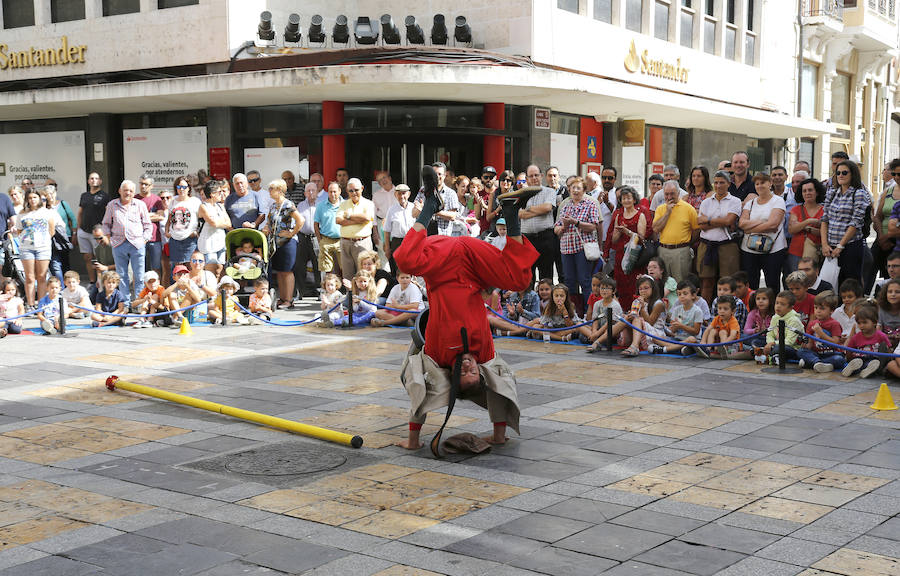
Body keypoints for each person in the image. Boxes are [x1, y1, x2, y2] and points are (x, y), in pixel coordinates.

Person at [394, 168, 539, 450]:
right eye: (474, 373)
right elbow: (499, 388)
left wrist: (413, 440)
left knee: (406, 260)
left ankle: (430, 208)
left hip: (443, 264)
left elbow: (419, 390)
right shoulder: (484, 353)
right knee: (520, 279)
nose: (470, 366)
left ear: (454, 373)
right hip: (474, 264)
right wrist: (498, 436)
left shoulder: (437, 354)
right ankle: (510, 213)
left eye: (464, 373)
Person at [554, 176, 599, 314]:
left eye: (578, 188)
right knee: (569, 281)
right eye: (572, 188)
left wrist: (576, 222)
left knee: (585, 280)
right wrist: (561, 228)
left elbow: (593, 226)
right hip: (566, 248)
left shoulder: (590, 204)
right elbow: (556, 227)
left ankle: (588, 313)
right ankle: (573, 312)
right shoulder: (565, 205)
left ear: (584, 190)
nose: (575, 190)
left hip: (582, 248)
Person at [822, 159, 870, 286]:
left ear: (852, 174)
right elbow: (824, 220)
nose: (841, 175)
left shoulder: (859, 194)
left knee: (850, 285)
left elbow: (855, 222)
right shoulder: (832, 193)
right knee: (831, 285)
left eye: (844, 172)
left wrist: (840, 246)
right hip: (830, 247)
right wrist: (824, 244)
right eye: (838, 173)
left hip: (850, 246)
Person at [696, 170, 742, 302]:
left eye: (722, 182)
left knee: (727, 283)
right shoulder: (706, 202)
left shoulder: (735, 201)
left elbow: (729, 221)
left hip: (726, 245)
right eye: (716, 182)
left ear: (728, 184)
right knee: (706, 282)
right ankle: (705, 314)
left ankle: (728, 311)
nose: (718, 185)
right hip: (707, 244)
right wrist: (719, 221)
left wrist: (709, 220)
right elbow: (701, 224)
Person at [102, 180, 152, 301]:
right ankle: (125, 303)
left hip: (137, 244)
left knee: (139, 276)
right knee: (122, 275)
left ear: (134, 192)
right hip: (119, 244)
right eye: (125, 190)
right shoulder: (112, 205)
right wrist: (109, 238)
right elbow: (106, 223)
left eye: (130, 191)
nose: (128, 193)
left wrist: (144, 240)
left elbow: (147, 225)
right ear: (120, 191)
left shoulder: (140, 204)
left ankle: (139, 302)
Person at [739, 172, 787, 290]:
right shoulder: (750, 203)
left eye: (763, 183)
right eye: (757, 183)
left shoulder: (778, 201)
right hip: (749, 249)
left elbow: (773, 224)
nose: (760, 186)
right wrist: (763, 223)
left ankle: (772, 308)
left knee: (772, 282)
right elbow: (741, 224)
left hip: (773, 249)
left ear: (770, 184)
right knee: (751, 283)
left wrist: (749, 228)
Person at [11, 188, 57, 308]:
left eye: (35, 197)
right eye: (30, 198)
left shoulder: (46, 212)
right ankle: (31, 304)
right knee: (30, 277)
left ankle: (41, 304)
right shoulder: (22, 213)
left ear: (39, 198)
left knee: (42, 276)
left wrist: (42, 239)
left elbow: (51, 231)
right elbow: (20, 230)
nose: (32, 200)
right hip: (26, 248)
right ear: (27, 199)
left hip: (43, 248)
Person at [262, 179, 304, 309]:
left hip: (287, 242)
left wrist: (291, 233)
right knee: (280, 271)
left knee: (287, 271)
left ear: (280, 191)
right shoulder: (274, 205)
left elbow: (300, 220)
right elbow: (269, 221)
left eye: (271, 189)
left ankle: (289, 300)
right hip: (276, 242)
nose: (269, 191)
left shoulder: (288, 204)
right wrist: (267, 228)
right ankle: (283, 298)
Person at [607, 185, 648, 306]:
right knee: (620, 285)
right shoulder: (618, 216)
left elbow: (641, 238)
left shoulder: (640, 215)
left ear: (634, 199)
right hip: (620, 255)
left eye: (628, 198)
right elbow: (614, 240)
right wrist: (618, 232)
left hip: (633, 256)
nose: (626, 201)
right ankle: (623, 313)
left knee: (633, 285)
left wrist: (628, 232)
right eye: (623, 198)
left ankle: (635, 312)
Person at [653, 181, 698, 284]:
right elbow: (655, 229)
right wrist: (667, 212)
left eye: (672, 193)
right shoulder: (660, 209)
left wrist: (688, 243)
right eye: (666, 194)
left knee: (681, 283)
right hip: (663, 250)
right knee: (663, 284)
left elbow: (696, 230)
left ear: (678, 193)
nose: (669, 197)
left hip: (681, 251)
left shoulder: (689, 209)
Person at [647, 281, 703, 356]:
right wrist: (670, 328)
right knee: (655, 337)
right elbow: (672, 331)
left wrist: (681, 326)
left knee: (691, 339)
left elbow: (696, 331)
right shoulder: (677, 310)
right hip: (677, 339)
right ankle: (678, 349)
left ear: (693, 295)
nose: (682, 296)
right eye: (679, 294)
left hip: (691, 340)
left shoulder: (697, 311)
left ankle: (665, 350)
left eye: (685, 294)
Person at [796, 291, 846, 373]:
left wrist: (821, 333)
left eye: (822, 308)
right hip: (816, 353)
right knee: (800, 352)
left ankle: (811, 363)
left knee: (839, 359)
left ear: (832, 311)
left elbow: (835, 342)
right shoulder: (812, 323)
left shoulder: (834, 324)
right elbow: (810, 343)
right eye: (816, 308)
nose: (818, 311)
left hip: (831, 353)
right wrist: (805, 344)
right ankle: (818, 363)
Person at [336, 178, 375, 282]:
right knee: (347, 275)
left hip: (362, 242)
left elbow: (366, 217)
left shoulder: (368, 203)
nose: (354, 193)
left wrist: (348, 215)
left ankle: (363, 297)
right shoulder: (343, 204)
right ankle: (350, 297)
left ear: (362, 188)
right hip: (345, 242)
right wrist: (359, 220)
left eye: (356, 190)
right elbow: (338, 220)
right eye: (350, 191)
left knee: (364, 274)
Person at [75, 172, 108, 283]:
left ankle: (101, 282)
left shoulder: (104, 196)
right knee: (87, 258)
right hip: (83, 231)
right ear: (88, 181)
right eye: (92, 178)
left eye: (96, 178)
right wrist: (77, 230)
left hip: (98, 233)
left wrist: (105, 230)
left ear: (100, 181)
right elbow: (80, 213)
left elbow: (108, 213)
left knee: (99, 258)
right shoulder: (84, 195)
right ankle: (92, 281)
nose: (94, 180)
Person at [787, 177, 825, 272]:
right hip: (796, 253)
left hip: (817, 252)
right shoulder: (796, 209)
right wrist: (810, 221)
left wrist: (803, 227)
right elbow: (792, 230)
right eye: (804, 191)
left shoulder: (825, 210)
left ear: (817, 192)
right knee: (797, 282)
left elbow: (824, 233)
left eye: (810, 190)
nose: (807, 193)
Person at [166, 176, 202, 273]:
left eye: (184, 187)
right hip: (175, 240)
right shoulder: (173, 201)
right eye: (179, 187)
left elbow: (201, 219)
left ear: (189, 188)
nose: (181, 189)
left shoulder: (195, 201)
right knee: (177, 269)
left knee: (191, 267)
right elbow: (169, 219)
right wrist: (167, 232)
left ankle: (191, 288)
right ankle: (178, 288)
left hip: (190, 240)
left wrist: (196, 233)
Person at [40, 184, 76, 282]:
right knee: (55, 264)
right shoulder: (40, 210)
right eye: (47, 195)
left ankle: (65, 285)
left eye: (51, 194)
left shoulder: (59, 206)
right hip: (46, 242)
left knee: (62, 263)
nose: (50, 196)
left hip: (60, 238)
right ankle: (60, 286)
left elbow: (71, 219)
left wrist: (74, 233)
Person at [842, 305, 888, 378]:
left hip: (873, 358)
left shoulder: (881, 336)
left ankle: (867, 371)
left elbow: (888, 349)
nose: (861, 326)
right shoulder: (856, 337)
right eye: (859, 323)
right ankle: (851, 369)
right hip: (859, 358)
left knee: (873, 363)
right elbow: (849, 350)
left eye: (864, 322)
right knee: (857, 363)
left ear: (874, 322)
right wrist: (849, 359)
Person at [873, 158, 900, 281]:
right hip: (883, 238)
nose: (896, 177)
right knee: (882, 271)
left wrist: (889, 236)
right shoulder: (888, 192)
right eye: (894, 174)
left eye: (899, 174)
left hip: (896, 239)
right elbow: (878, 216)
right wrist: (881, 236)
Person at [294, 182, 321, 299]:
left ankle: (320, 290)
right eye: (308, 191)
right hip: (303, 237)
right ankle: (301, 291)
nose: (310, 193)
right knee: (300, 265)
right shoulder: (300, 205)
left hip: (316, 237)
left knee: (318, 265)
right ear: (305, 193)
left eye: (313, 190)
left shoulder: (321, 204)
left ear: (317, 191)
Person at [762, 290, 805, 364]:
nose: (778, 306)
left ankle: (767, 355)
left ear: (791, 308)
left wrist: (772, 344)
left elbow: (789, 342)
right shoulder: (775, 317)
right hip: (775, 344)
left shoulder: (794, 320)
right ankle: (771, 354)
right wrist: (769, 343)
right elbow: (769, 334)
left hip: (792, 349)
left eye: (782, 304)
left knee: (779, 348)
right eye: (777, 303)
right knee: (756, 341)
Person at [585, 276, 624, 352]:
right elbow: (595, 320)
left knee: (607, 332)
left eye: (607, 288)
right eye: (602, 288)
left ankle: (596, 341)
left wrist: (597, 334)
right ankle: (595, 338)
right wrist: (594, 331)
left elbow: (610, 323)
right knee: (580, 325)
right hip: (599, 329)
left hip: (610, 331)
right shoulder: (597, 304)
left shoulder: (615, 305)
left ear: (613, 291)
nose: (604, 291)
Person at [314, 181, 343, 282]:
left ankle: (345, 291)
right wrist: (319, 240)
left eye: (335, 191)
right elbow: (316, 224)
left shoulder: (345, 204)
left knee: (343, 267)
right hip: (326, 239)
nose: (333, 194)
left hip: (342, 239)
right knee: (327, 268)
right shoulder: (321, 205)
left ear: (339, 191)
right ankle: (328, 291)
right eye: (330, 192)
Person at [696, 295, 742, 359]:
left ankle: (723, 350)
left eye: (725, 309)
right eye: (720, 308)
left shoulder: (733, 321)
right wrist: (703, 341)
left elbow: (733, 336)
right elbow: (708, 330)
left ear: (733, 311)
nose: (722, 311)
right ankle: (707, 349)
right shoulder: (717, 318)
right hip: (718, 344)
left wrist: (722, 345)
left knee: (722, 332)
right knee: (713, 331)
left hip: (732, 346)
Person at [383, 184, 414, 275]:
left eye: (404, 193)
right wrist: (388, 248)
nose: (402, 196)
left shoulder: (414, 208)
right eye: (399, 194)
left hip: (412, 241)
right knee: (398, 268)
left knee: (412, 267)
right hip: (397, 242)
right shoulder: (391, 210)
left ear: (409, 194)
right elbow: (387, 230)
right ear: (395, 195)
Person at [877, 278, 900, 349]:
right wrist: (890, 337)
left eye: (897, 292)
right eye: (890, 292)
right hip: (886, 341)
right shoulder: (881, 308)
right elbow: (878, 330)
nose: (893, 294)